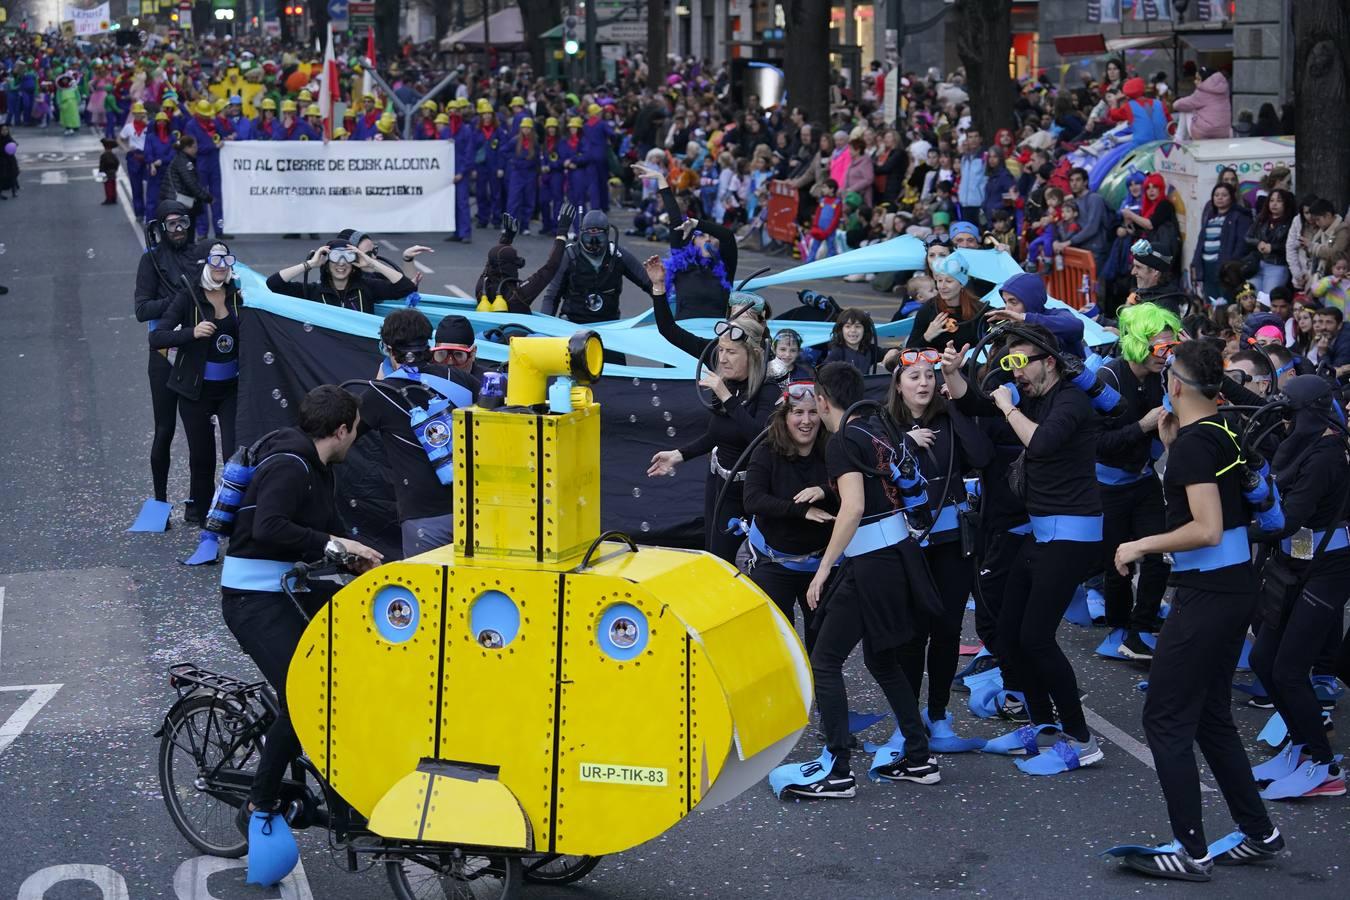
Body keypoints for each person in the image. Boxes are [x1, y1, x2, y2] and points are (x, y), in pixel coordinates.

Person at [1111, 339, 1281, 880]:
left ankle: (1190, 849)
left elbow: (1205, 528)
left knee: (1163, 719)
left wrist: (1140, 545)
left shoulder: (1194, 444)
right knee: (1209, 716)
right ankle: (1259, 831)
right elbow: (1219, 510)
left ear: (1175, 385)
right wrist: (1168, 448)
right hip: (1232, 589)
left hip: (1207, 594)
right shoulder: (1221, 431)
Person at [943, 325, 1105, 772]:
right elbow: (976, 402)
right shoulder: (1030, 396)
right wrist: (954, 375)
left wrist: (1010, 407)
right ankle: (1042, 723)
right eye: (1009, 364)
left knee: (1036, 637)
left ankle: (1081, 737)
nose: (1015, 374)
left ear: (1048, 361)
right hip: (1042, 531)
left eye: (1021, 363)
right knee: (1010, 635)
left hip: (1074, 535)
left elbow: (1042, 442)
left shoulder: (1070, 399)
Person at [220, 385, 383, 827]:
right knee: (306, 696)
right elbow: (270, 526)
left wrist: (362, 562)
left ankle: (346, 794)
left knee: (348, 674)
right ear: (342, 428)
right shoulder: (291, 466)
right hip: (253, 601)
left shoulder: (318, 466)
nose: (357, 438)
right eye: (356, 430)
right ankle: (260, 801)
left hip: (287, 589)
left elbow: (328, 533)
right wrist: (335, 543)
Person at [778, 362, 941, 797]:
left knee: (825, 661)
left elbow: (851, 508)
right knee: (881, 660)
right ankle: (920, 757)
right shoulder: (874, 428)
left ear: (823, 399)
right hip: (896, 554)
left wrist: (825, 567)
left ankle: (838, 770)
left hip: (871, 561)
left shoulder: (841, 441)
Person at [1248, 375, 1349, 799]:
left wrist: (1224, 529)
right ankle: (1303, 747)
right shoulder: (1302, 444)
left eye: (1290, 415)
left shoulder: (1326, 457)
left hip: (1328, 568)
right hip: (1295, 562)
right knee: (1263, 660)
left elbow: (1287, 519)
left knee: (1288, 670)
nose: (1284, 424)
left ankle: (1325, 766)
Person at [887, 348, 993, 745]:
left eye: (930, 376)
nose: (924, 383)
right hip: (909, 543)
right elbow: (872, 473)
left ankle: (939, 714)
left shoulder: (949, 417)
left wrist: (954, 412)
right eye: (913, 377)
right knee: (913, 634)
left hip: (952, 540)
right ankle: (908, 721)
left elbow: (981, 456)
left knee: (947, 629)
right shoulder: (884, 424)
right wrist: (907, 443)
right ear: (898, 384)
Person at [647, 315, 778, 562]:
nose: (723, 358)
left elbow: (758, 437)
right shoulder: (726, 383)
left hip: (756, 489)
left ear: (754, 355)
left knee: (758, 562)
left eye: (732, 352)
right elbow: (717, 434)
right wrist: (679, 455)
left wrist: (725, 396)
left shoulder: (768, 389)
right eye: (721, 350)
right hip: (723, 485)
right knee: (718, 557)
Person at [1094, 303, 1181, 658]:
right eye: (1160, 347)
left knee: (1159, 554)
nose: (1166, 355)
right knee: (1118, 564)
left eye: (1171, 347)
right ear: (1139, 344)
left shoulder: (1163, 375)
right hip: (1107, 486)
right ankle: (1118, 628)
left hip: (1144, 479)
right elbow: (1096, 444)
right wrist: (1142, 427)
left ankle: (1141, 627)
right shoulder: (1107, 378)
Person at [149, 242, 242, 562]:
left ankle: (235, 519)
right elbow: (156, 337)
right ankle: (203, 520)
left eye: (226, 259)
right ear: (205, 262)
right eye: (215, 259)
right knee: (201, 459)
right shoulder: (188, 294)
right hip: (195, 390)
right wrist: (191, 332)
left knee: (235, 457)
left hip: (231, 389)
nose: (221, 265)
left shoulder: (238, 295)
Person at [359, 309, 477, 557]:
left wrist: (378, 383)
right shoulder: (460, 380)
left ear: (389, 349)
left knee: (427, 594)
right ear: (429, 345)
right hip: (474, 510)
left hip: (424, 519)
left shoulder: (380, 394)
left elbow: (342, 435)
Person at [741, 381, 837, 636]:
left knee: (820, 647)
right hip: (774, 562)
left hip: (820, 564)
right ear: (785, 416)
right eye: (798, 412)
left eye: (813, 412)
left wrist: (825, 490)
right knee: (781, 641)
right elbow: (752, 500)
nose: (806, 420)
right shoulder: (766, 450)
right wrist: (802, 510)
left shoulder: (833, 448)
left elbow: (855, 488)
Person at [134, 201, 202, 517]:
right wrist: (178, 301)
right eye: (171, 224)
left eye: (183, 223)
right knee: (165, 429)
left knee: (198, 432)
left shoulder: (200, 255)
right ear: (160, 229)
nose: (177, 230)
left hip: (195, 351)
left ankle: (196, 502)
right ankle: (159, 502)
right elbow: (142, 310)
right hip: (163, 353)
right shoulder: (151, 261)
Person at [637, 161, 740, 320]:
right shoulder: (683, 266)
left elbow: (727, 236)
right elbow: (675, 219)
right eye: (701, 235)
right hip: (685, 335)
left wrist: (699, 224)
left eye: (711, 236)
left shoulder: (725, 266)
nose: (708, 239)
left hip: (716, 338)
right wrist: (661, 180)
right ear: (690, 241)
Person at [540, 210, 652, 324]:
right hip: (572, 324)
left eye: (599, 239)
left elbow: (649, 283)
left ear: (607, 235)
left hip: (608, 325)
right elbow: (551, 297)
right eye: (588, 239)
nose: (593, 244)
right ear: (581, 234)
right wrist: (545, 328)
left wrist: (666, 314)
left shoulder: (618, 256)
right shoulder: (569, 256)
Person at [472, 205, 576, 314]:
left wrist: (506, 238)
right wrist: (562, 233)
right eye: (515, 260)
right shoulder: (518, 294)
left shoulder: (482, 287)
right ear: (510, 265)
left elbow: (493, 260)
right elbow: (550, 267)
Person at [266, 240, 416, 313]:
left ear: (354, 264)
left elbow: (407, 288)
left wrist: (370, 262)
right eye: (336, 257)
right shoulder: (312, 291)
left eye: (348, 258)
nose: (341, 264)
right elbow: (273, 284)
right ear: (326, 263)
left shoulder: (367, 287)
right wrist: (310, 263)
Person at [907, 254, 984, 351]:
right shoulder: (929, 309)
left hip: (969, 364)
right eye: (939, 281)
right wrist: (927, 336)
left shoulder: (979, 309)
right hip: (935, 364)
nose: (942, 286)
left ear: (961, 284)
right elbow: (909, 350)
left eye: (949, 281)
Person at [1191, 184, 1254, 302]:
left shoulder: (1239, 217)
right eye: (1216, 195)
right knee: (1210, 301)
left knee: (1226, 301)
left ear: (1231, 197)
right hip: (1206, 266)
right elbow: (1201, 243)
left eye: (1224, 195)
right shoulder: (1210, 217)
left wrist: (1231, 263)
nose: (1220, 198)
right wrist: (1196, 264)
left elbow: (1242, 244)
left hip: (1225, 268)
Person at [1246, 188, 1295, 293]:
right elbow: (1247, 237)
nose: (1274, 204)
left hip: (1277, 265)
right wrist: (1258, 243)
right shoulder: (1262, 218)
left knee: (1268, 299)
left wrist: (1272, 248)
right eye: (1271, 201)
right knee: (1252, 296)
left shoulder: (1291, 222)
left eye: (1279, 201)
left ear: (1286, 203)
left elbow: (1291, 245)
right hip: (1258, 264)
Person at [164, 135, 214, 236]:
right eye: (194, 147)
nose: (196, 149)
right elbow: (191, 184)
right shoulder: (185, 162)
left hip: (176, 201)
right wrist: (207, 198)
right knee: (185, 233)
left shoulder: (181, 159)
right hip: (181, 202)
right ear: (187, 148)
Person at [1171, 68, 1232, 141]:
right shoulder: (1223, 91)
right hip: (1223, 133)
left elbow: (1177, 105)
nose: (1195, 81)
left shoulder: (1202, 92)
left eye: (1198, 79)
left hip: (1204, 133)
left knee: (1185, 108)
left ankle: (1178, 140)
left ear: (1205, 80)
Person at [505, 117, 540, 234]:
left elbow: (539, 159)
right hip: (517, 173)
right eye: (524, 128)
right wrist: (512, 160)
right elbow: (503, 151)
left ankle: (525, 226)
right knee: (513, 200)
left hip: (530, 174)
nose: (526, 130)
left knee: (528, 201)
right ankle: (510, 226)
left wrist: (538, 173)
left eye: (528, 128)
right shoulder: (515, 141)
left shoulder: (535, 142)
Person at [824, 308, 885, 373]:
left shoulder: (869, 350)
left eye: (857, 326)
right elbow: (823, 371)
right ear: (841, 330)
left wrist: (892, 356)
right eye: (848, 326)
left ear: (865, 331)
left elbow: (891, 353)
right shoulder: (837, 352)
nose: (853, 330)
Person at [117, 100, 150, 220]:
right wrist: (126, 149)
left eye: (140, 113)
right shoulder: (128, 127)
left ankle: (150, 211)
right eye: (136, 113)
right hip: (134, 157)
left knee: (151, 186)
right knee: (136, 187)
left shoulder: (149, 126)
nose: (138, 115)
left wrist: (147, 123)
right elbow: (120, 139)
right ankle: (139, 213)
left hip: (147, 156)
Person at [98, 138, 120, 205]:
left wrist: (100, 173)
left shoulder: (103, 155)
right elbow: (117, 162)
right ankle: (113, 198)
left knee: (108, 186)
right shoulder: (113, 155)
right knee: (113, 185)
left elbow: (102, 165)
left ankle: (109, 199)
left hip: (106, 172)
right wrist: (115, 169)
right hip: (113, 172)